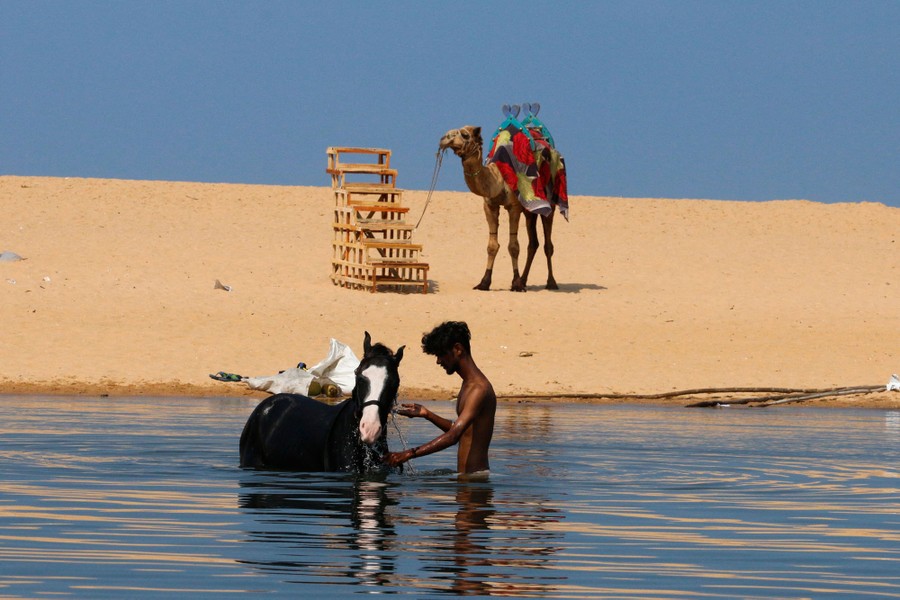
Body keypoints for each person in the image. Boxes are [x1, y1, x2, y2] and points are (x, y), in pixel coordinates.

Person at [384, 321, 496, 475]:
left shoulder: (479, 389)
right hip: (466, 481)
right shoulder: (467, 385)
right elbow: (463, 432)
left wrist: (409, 454)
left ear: (458, 349)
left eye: (441, 354)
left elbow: (453, 436)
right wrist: (427, 414)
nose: (438, 361)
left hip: (476, 483)